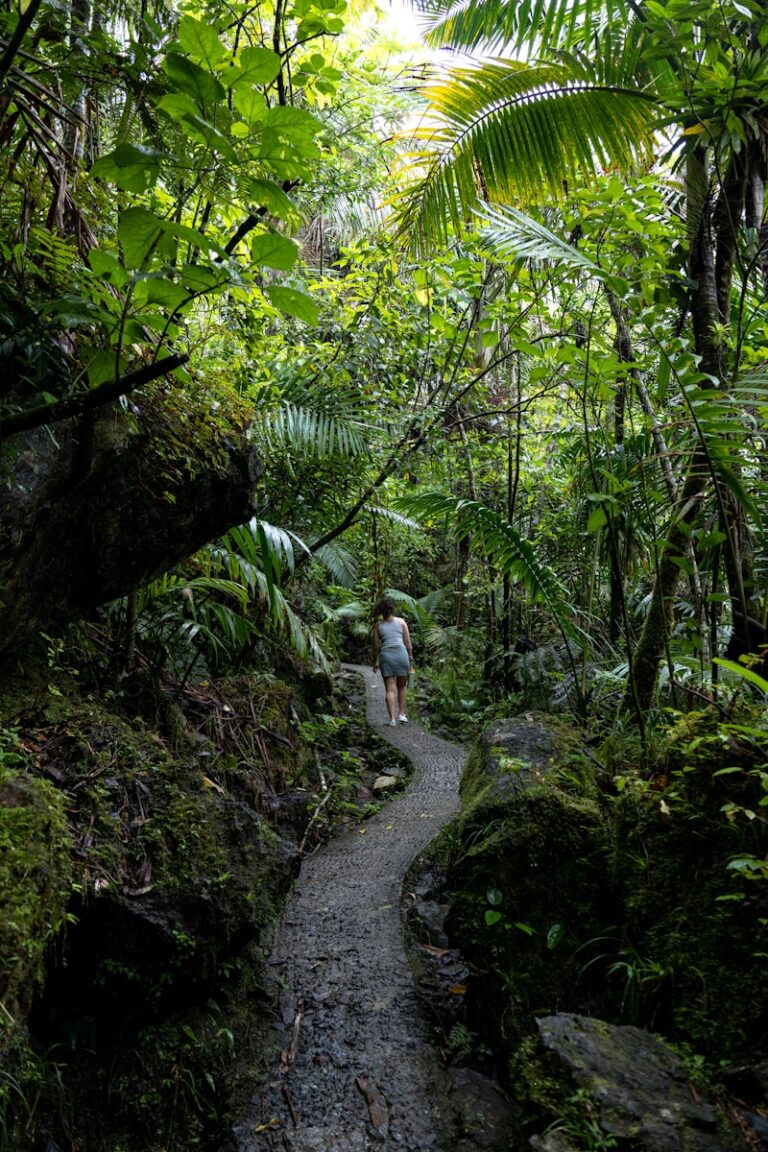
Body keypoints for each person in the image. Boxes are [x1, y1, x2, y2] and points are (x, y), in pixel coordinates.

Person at [371, 597, 414, 727]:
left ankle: (392, 720)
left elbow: (376, 647)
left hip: (386, 657)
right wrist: (410, 656)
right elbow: (407, 642)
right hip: (401, 655)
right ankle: (402, 715)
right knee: (402, 686)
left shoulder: (377, 626)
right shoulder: (401, 622)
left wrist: (375, 661)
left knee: (390, 689)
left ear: (381, 611)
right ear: (392, 609)